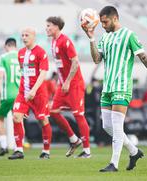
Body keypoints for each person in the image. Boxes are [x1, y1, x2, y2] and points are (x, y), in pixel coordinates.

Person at [82, 6, 147, 172]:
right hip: (107, 88)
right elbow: (97, 59)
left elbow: (143, 57)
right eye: (101, 23)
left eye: (105, 22)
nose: (103, 25)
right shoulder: (105, 38)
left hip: (122, 86)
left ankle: (114, 164)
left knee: (117, 126)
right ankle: (134, 151)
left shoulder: (129, 35)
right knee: (107, 126)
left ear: (115, 18)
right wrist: (91, 38)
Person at [46, 16, 91, 158]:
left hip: (74, 84)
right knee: (53, 111)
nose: (46, 28)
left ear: (57, 27)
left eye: (49, 26)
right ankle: (74, 139)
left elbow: (75, 62)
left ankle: (87, 151)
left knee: (78, 115)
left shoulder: (65, 41)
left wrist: (67, 81)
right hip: (62, 84)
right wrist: (62, 82)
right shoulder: (53, 41)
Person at [8, 27, 52, 160]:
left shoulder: (41, 52)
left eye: (27, 35)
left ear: (34, 36)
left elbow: (43, 73)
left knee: (43, 120)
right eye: (22, 35)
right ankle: (19, 150)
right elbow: (23, 71)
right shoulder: (20, 53)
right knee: (16, 117)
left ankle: (46, 151)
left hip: (38, 94)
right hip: (23, 93)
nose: (24, 37)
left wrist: (33, 90)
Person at [0, 38, 20, 156]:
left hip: (6, 95)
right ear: (15, 45)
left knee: (0, 118)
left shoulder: (4, 57)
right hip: (19, 95)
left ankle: (4, 146)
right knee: (18, 120)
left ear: (6, 46)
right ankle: (18, 147)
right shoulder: (21, 56)